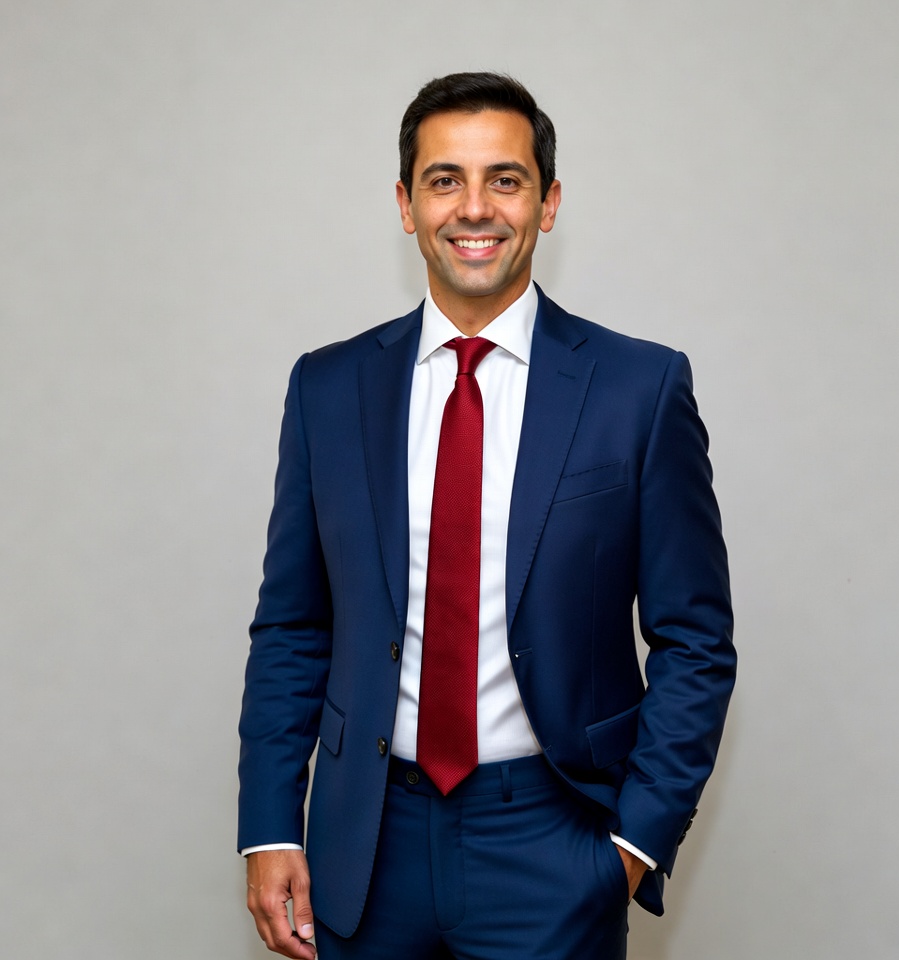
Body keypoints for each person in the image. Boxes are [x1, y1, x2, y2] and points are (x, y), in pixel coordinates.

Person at [239, 71, 735, 960]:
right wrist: (271, 826)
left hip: (554, 838)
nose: (475, 208)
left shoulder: (639, 390)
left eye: (504, 179)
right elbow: (292, 626)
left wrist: (631, 849)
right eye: (444, 180)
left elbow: (695, 639)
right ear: (405, 204)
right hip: (366, 844)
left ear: (548, 203)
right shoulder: (327, 387)